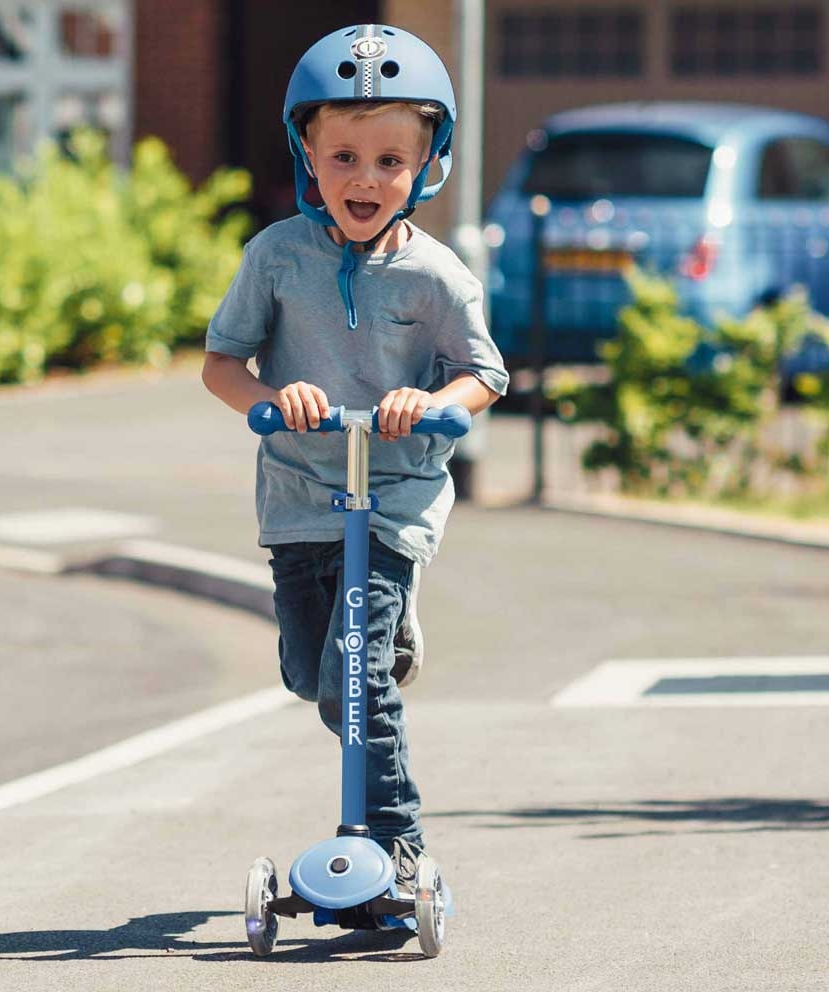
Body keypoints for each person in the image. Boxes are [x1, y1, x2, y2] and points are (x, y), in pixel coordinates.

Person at [200, 24, 508, 889]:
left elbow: (485, 376)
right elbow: (222, 365)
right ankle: (379, 652)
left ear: (425, 164)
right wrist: (270, 401)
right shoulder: (275, 259)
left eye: (388, 161)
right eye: (343, 157)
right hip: (300, 496)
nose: (364, 179)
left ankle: (397, 844)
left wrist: (434, 403)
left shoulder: (438, 277)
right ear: (307, 151)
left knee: (354, 678)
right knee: (312, 673)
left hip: (395, 499)